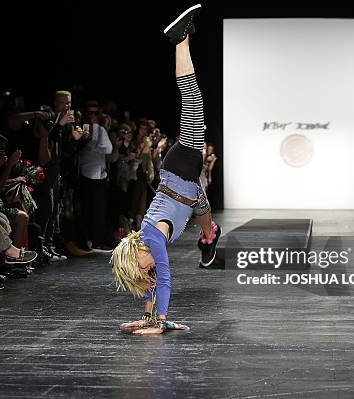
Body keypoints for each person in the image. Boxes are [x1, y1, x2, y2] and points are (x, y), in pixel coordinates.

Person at [110, 4, 222, 335]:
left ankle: (179, 40)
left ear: (137, 258)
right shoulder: (148, 244)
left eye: (141, 272)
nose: (147, 275)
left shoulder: (150, 238)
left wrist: (159, 324)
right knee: (204, 211)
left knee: (193, 98)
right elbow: (155, 282)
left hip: (180, 171)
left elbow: (166, 277)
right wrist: (149, 317)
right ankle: (208, 237)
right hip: (187, 184)